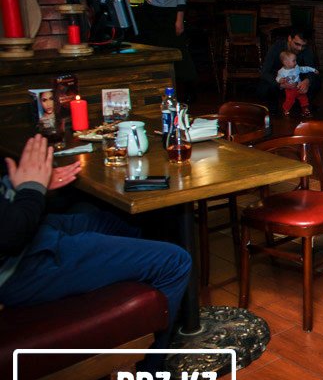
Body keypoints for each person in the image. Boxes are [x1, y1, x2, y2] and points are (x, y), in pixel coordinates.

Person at [0, 135, 191, 351]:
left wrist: (24, 186)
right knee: (176, 261)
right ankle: (151, 368)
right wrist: (32, 188)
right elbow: (11, 236)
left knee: (133, 223)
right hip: (18, 266)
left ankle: (154, 315)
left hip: (31, 228)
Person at [258, 28, 320, 116]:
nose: (300, 48)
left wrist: (307, 81)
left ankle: (300, 105)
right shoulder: (276, 47)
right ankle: (273, 109)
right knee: (264, 86)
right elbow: (264, 71)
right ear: (290, 38)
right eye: (297, 44)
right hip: (279, 80)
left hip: (297, 81)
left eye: (303, 46)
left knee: (316, 82)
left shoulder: (306, 49)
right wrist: (280, 84)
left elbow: (311, 68)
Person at [275, 49, 319, 117]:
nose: (296, 62)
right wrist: (280, 80)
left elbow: (304, 69)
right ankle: (285, 109)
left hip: (298, 86)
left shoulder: (296, 67)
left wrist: (313, 70)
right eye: (294, 61)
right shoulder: (281, 71)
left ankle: (305, 110)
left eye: (295, 60)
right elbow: (277, 78)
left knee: (304, 98)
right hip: (289, 89)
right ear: (286, 63)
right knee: (290, 100)